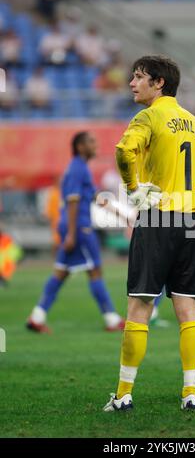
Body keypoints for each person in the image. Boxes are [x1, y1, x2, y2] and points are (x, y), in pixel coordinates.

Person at [103, 55, 195, 412]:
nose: (132, 83)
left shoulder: (148, 116)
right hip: (191, 222)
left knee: (139, 306)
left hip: (157, 219)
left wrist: (133, 187)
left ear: (159, 83)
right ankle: (191, 394)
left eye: (139, 77)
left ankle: (123, 395)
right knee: (187, 309)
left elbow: (123, 150)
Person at [26, 131, 125, 333]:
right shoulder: (77, 169)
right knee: (95, 270)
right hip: (79, 227)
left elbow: (95, 196)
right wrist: (71, 233)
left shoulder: (80, 169)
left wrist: (120, 214)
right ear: (80, 146)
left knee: (61, 272)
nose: (96, 145)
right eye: (91, 142)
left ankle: (37, 317)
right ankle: (112, 319)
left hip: (73, 226)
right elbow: (73, 201)